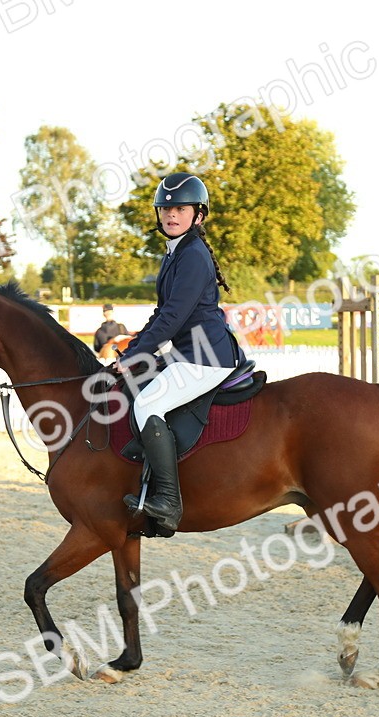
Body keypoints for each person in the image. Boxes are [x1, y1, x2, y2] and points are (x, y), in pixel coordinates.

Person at [113, 172, 241, 535]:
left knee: (147, 405)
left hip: (206, 356)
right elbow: (161, 313)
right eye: (166, 208)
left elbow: (172, 318)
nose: (171, 214)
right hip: (187, 352)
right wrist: (132, 350)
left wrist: (135, 356)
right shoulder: (175, 254)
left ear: (197, 215)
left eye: (181, 209)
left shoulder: (192, 256)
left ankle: (168, 501)